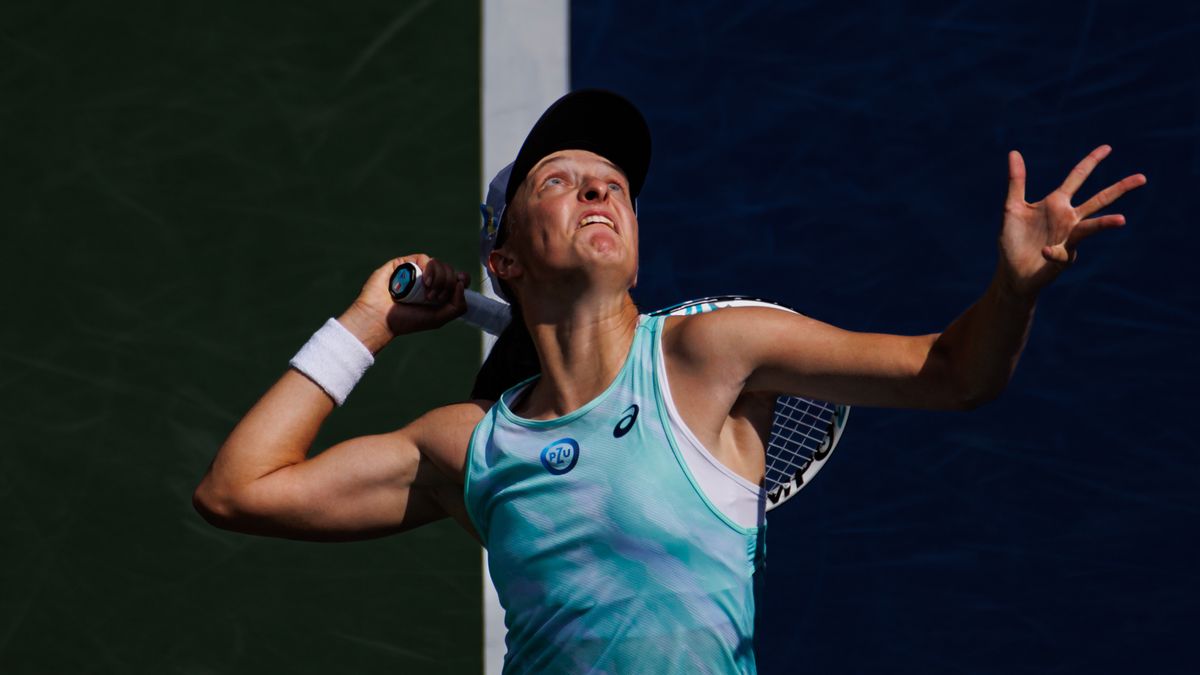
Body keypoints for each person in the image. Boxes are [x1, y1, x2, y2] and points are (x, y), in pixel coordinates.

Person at [193, 89, 1146, 673]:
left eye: (612, 183)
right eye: (558, 180)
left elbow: (953, 372)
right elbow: (240, 489)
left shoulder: (713, 354)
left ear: (638, 247)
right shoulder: (468, 445)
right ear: (507, 261)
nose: (599, 189)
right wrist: (369, 323)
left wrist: (1013, 290)